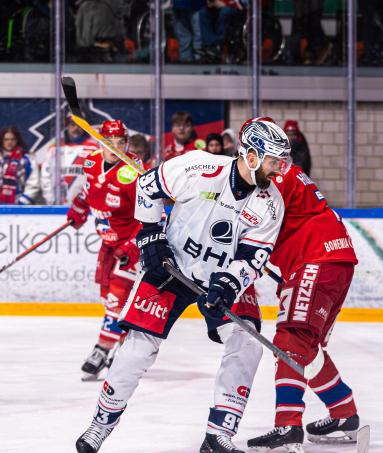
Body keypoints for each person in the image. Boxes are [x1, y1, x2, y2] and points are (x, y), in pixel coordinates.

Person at [75, 117, 288, 453]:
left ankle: (219, 433)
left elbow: (253, 255)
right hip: (170, 268)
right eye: (274, 161)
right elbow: (147, 186)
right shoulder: (197, 166)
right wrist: (150, 236)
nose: (279, 170)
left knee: (247, 342)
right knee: (138, 347)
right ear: (251, 156)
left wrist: (230, 285)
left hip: (219, 278)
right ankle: (100, 425)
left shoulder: (271, 203)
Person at [246, 121, 361, 450]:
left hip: (316, 259)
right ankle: (344, 413)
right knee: (306, 346)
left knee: (291, 339)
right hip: (332, 260)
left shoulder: (271, 178)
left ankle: (288, 426)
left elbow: (242, 221)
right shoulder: (286, 173)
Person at [65, 120, 143, 380]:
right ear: (101, 143)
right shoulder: (90, 162)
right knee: (107, 298)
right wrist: (78, 209)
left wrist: (134, 245)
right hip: (108, 245)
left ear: (127, 144)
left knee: (116, 300)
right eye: (111, 143)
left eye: (121, 143)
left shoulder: (133, 171)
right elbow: (89, 192)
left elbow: (150, 214)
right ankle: (123, 349)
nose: (116, 148)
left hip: (130, 246)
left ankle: (101, 350)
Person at [25, 113, 99, 205]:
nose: (76, 128)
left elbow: (97, 178)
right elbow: (46, 175)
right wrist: (50, 199)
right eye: (72, 125)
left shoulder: (93, 149)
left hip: (83, 205)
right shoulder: (55, 148)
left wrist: (88, 201)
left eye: (80, 125)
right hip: (56, 204)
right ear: (67, 126)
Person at [0, 125, 33, 204]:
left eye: (12, 139)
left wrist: (22, 202)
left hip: (18, 203)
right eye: (6, 139)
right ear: (2, 141)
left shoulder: (26, 159)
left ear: (17, 140)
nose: (9, 142)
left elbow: (33, 183)